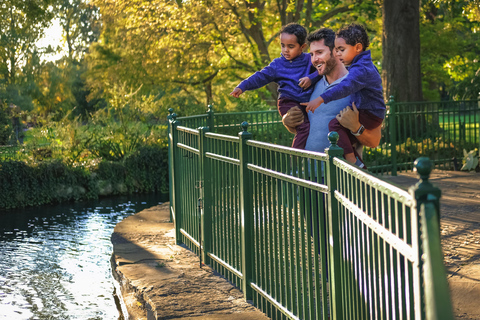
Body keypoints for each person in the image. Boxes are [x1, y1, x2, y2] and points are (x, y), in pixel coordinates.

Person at [282, 28, 382, 166]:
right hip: (308, 176)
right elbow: (305, 128)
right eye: (311, 54)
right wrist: (287, 121)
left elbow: (374, 141)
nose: (314, 59)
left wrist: (356, 127)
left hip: (341, 179)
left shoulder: (357, 84)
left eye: (319, 52)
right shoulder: (310, 86)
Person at [230, 22, 320, 149]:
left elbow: (322, 70)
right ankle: (295, 163)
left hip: (305, 102)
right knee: (304, 128)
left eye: (291, 46)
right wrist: (242, 86)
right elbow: (260, 76)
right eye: (282, 45)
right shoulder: (277, 64)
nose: (285, 50)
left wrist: (311, 78)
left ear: (303, 47)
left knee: (313, 128)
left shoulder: (309, 59)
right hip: (288, 101)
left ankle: (311, 159)